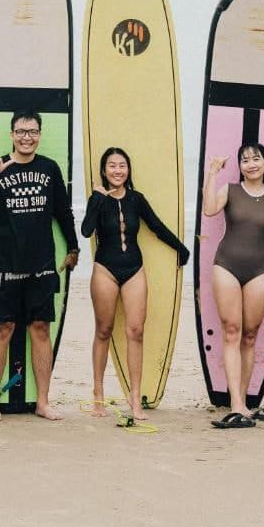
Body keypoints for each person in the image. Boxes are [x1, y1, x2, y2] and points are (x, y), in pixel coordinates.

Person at [0, 109, 79, 422]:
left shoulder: (50, 168)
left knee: (41, 330)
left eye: (32, 131)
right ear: (12, 134)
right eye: (21, 131)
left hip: (41, 265)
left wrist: (73, 247)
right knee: (1, 330)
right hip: (5, 265)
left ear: (39, 135)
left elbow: (63, 211)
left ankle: (43, 402)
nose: (26, 137)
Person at [81, 147, 189, 421]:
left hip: (134, 269)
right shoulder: (99, 200)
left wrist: (181, 248)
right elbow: (85, 231)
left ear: (128, 170)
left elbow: (156, 226)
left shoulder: (136, 199)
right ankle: (98, 394)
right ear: (104, 171)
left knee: (136, 331)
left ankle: (134, 397)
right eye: (112, 166)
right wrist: (96, 198)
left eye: (122, 165)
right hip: (105, 269)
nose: (118, 170)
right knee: (103, 330)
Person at [203, 143, 264, 427]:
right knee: (232, 331)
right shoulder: (230, 190)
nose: (251, 164)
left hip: (259, 269)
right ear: (240, 167)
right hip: (226, 266)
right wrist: (212, 173)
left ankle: (242, 398)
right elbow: (209, 210)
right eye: (245, 160)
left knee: (250, 335)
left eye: (256, 159)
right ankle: (236, 403)